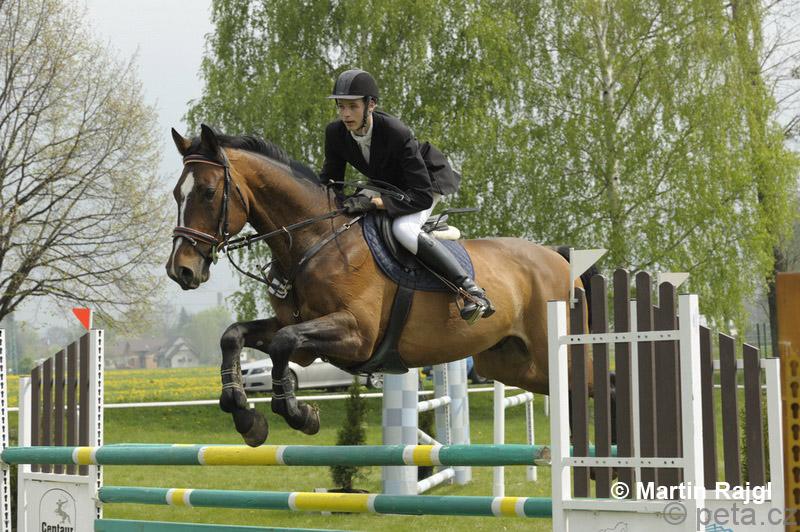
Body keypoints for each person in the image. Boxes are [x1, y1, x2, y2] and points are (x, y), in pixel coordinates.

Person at [319, 68, 494, 322]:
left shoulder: (395, 132)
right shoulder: (335, 133)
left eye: (353, 107)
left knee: (404, 230)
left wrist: (374, 203)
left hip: (423, 183)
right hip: (386, 183)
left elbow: (421, 196)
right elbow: (330, 182)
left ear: (371, 105)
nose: (345, 114)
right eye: (341, 106)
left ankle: (471, 290)